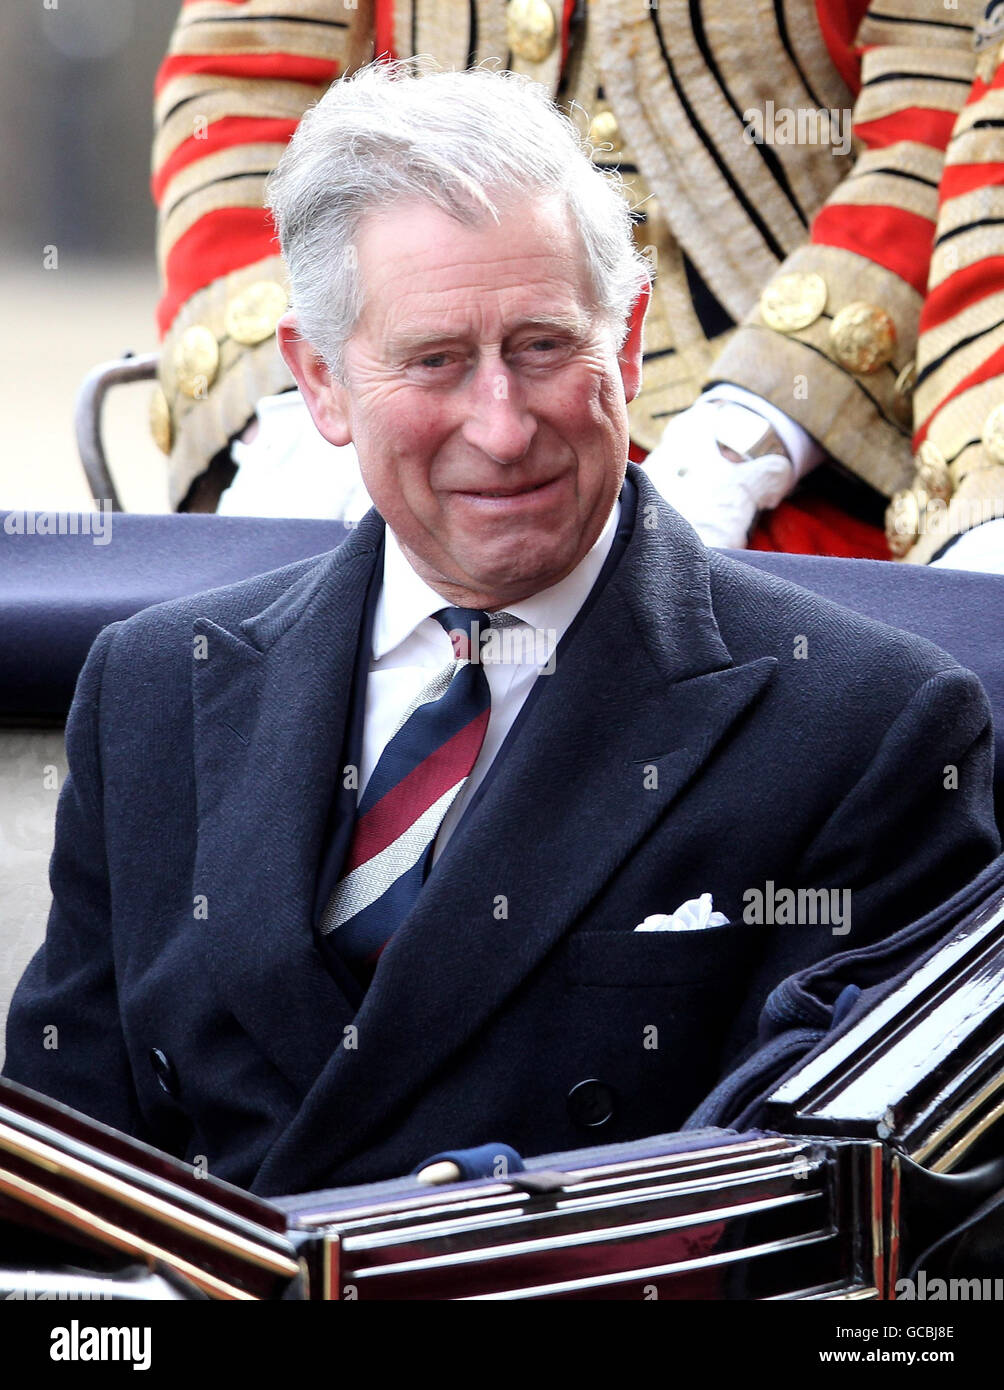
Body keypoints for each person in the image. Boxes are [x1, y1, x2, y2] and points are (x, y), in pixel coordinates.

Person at [5, 64, 998, 1198]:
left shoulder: (868, 729)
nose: (501, 423)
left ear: (626, 348)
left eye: (540, 346)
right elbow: (57, 1160)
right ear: (320, 382)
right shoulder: (150, 689)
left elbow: (807, 1204)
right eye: (434, 361)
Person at [150, 0, 1004, 566]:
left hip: (815, 456)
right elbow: (244, 86)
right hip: (393, 418)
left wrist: (759, 426)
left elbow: (934, 96)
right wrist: (303, 394)